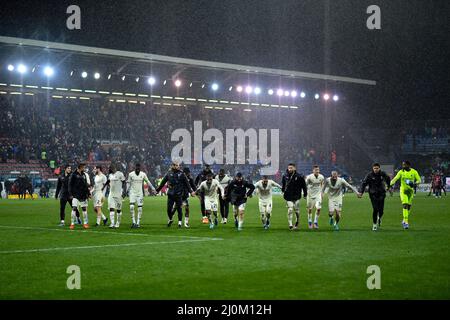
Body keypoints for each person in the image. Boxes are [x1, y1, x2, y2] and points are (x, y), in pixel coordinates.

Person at [156, 162, 196, 228]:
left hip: (179, 194)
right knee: (169, 209)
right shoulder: (169, 173)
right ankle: (170, 219)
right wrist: (157, 190)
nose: (178, 166)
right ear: (172, 166)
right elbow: (163, 182)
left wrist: (191, 191)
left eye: (178, 165)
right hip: (171, 194)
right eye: (176, 165)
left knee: (179, 209)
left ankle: (180, 223)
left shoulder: (182, 174)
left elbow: (187, 184)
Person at [389, 161, 421, 229]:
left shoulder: (414, 172)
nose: (403, 166)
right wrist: (390, 184)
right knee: (405, 205)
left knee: (409, 207)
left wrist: (414, 184)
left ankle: (404, 220)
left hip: (410, 191)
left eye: (404, 165)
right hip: (403, 191)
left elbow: (419, 180)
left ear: (409, 165)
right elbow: (395, 179)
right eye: (402, 165)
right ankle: (406, 222)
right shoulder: (401, 172)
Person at [359, 163, 391, 231]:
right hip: (373, 194)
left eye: (377, 168)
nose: (376, 169)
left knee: (381, 211)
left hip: (382, 194)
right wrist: (361, 192)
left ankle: (379, 218)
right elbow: (364, 183)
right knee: (375, 209)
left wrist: (388, 186)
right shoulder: (369, 175)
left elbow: (388, 178)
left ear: (379, 168)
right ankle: (374, 224)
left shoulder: (383, 174)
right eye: (374, 168)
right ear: (372, 168)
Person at [127, 163, 156, 228]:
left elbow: (148, 181)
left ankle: (138, 223)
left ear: (140, 168)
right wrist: (126, 191)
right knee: (131, 207)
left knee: (140, 208)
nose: (137, 169)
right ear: (135, 168)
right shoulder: (131, 174)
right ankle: (133, 222)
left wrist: (153, 188)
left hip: (140, 194)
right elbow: (128, 183)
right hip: (132, 193)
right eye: (136, 168)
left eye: (138, 168)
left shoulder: (143, 174)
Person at [281, 163, 307, 230]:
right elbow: (283, 185)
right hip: (288, 196)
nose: (290, 169)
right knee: (290, 209)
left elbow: (304, 186)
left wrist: (305, 194)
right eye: (289, 168)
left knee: (297, 211)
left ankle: (297, 221)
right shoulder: (284, 175)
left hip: (296, 196)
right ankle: (290, 224)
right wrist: (283, 191)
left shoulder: (299, 176)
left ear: (294, 168)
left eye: (291, 168)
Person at [68, 163, 91, 229]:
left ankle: (85, 223)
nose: (84, 168)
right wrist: (70, 194)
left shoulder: (84, 175)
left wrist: (88, 193)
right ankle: (72, 224)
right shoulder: (73, 175)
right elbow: (70, 185)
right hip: (75, 194)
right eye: (83, 167)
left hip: (83, 194)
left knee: (84, 209)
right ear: (80, 167)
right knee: (74, 208)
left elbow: (86, 185)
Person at [103, 164, 126, 228]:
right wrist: (103, 187)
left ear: (114, 168)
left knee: (118, 210)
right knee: (111, 208)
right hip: (111, 194)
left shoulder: (120, 174)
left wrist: (124, 191)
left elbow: (124, 182)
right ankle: (112, 223)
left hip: (118, 194)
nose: (110, 169)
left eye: (110, 168)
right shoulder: (110, 175)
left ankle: (118, 223)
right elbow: (108, 181)